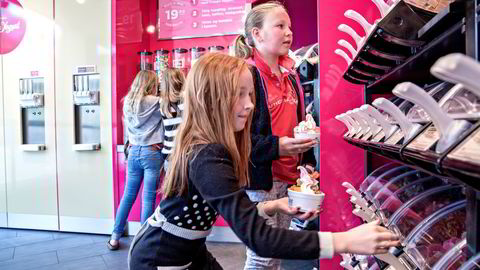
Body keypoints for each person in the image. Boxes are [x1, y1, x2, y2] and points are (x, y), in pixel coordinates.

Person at [128, 53, 399, 270]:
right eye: (239, 94)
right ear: (212, 99)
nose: (249, 105)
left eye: (251, 96)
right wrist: (345, 241)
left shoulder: (211, 149)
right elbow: (261, 240)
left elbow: (230, 207)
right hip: (159, 257)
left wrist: (274, 205)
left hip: (188, 250)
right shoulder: (207, 155)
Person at [234, 2, 317, 269]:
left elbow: (296, 125)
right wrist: (278, 146)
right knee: (262, 255)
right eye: (280, 26)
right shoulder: (245, 75)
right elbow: (238, 138)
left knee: (276, 253)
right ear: (256, 34)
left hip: (289, 178)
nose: (289, 32)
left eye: (290, 26)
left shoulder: (292, 75)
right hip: (261, 181)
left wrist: (307, 164)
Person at [107, 70, 165, 250]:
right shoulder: (157, 102)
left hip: (133, 152)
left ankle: (114, 237)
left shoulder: (127, 102)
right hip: (151, 152)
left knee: (128, 196)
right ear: (151, 84)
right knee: (148, 199)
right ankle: (142, 243)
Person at [159, 68, 186, 170]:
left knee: (171, 186)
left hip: (168, 152)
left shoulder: (161, 102)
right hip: (183, 152)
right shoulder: (186, 99)